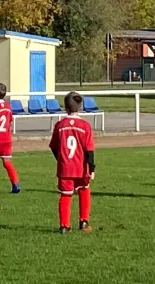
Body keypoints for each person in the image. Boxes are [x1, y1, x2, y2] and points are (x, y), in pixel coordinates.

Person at [49, 92, 95, 234]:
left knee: (65, 195)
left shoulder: (59, 125)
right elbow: (89, 150)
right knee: (84, 190)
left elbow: (53, 146)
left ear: (65, 107)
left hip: (65, 167)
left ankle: (64, 226)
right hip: (81, 167)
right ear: (80, 107)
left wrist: (61, 159)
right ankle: (84, 221)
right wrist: (92, 168)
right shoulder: (85, 126)